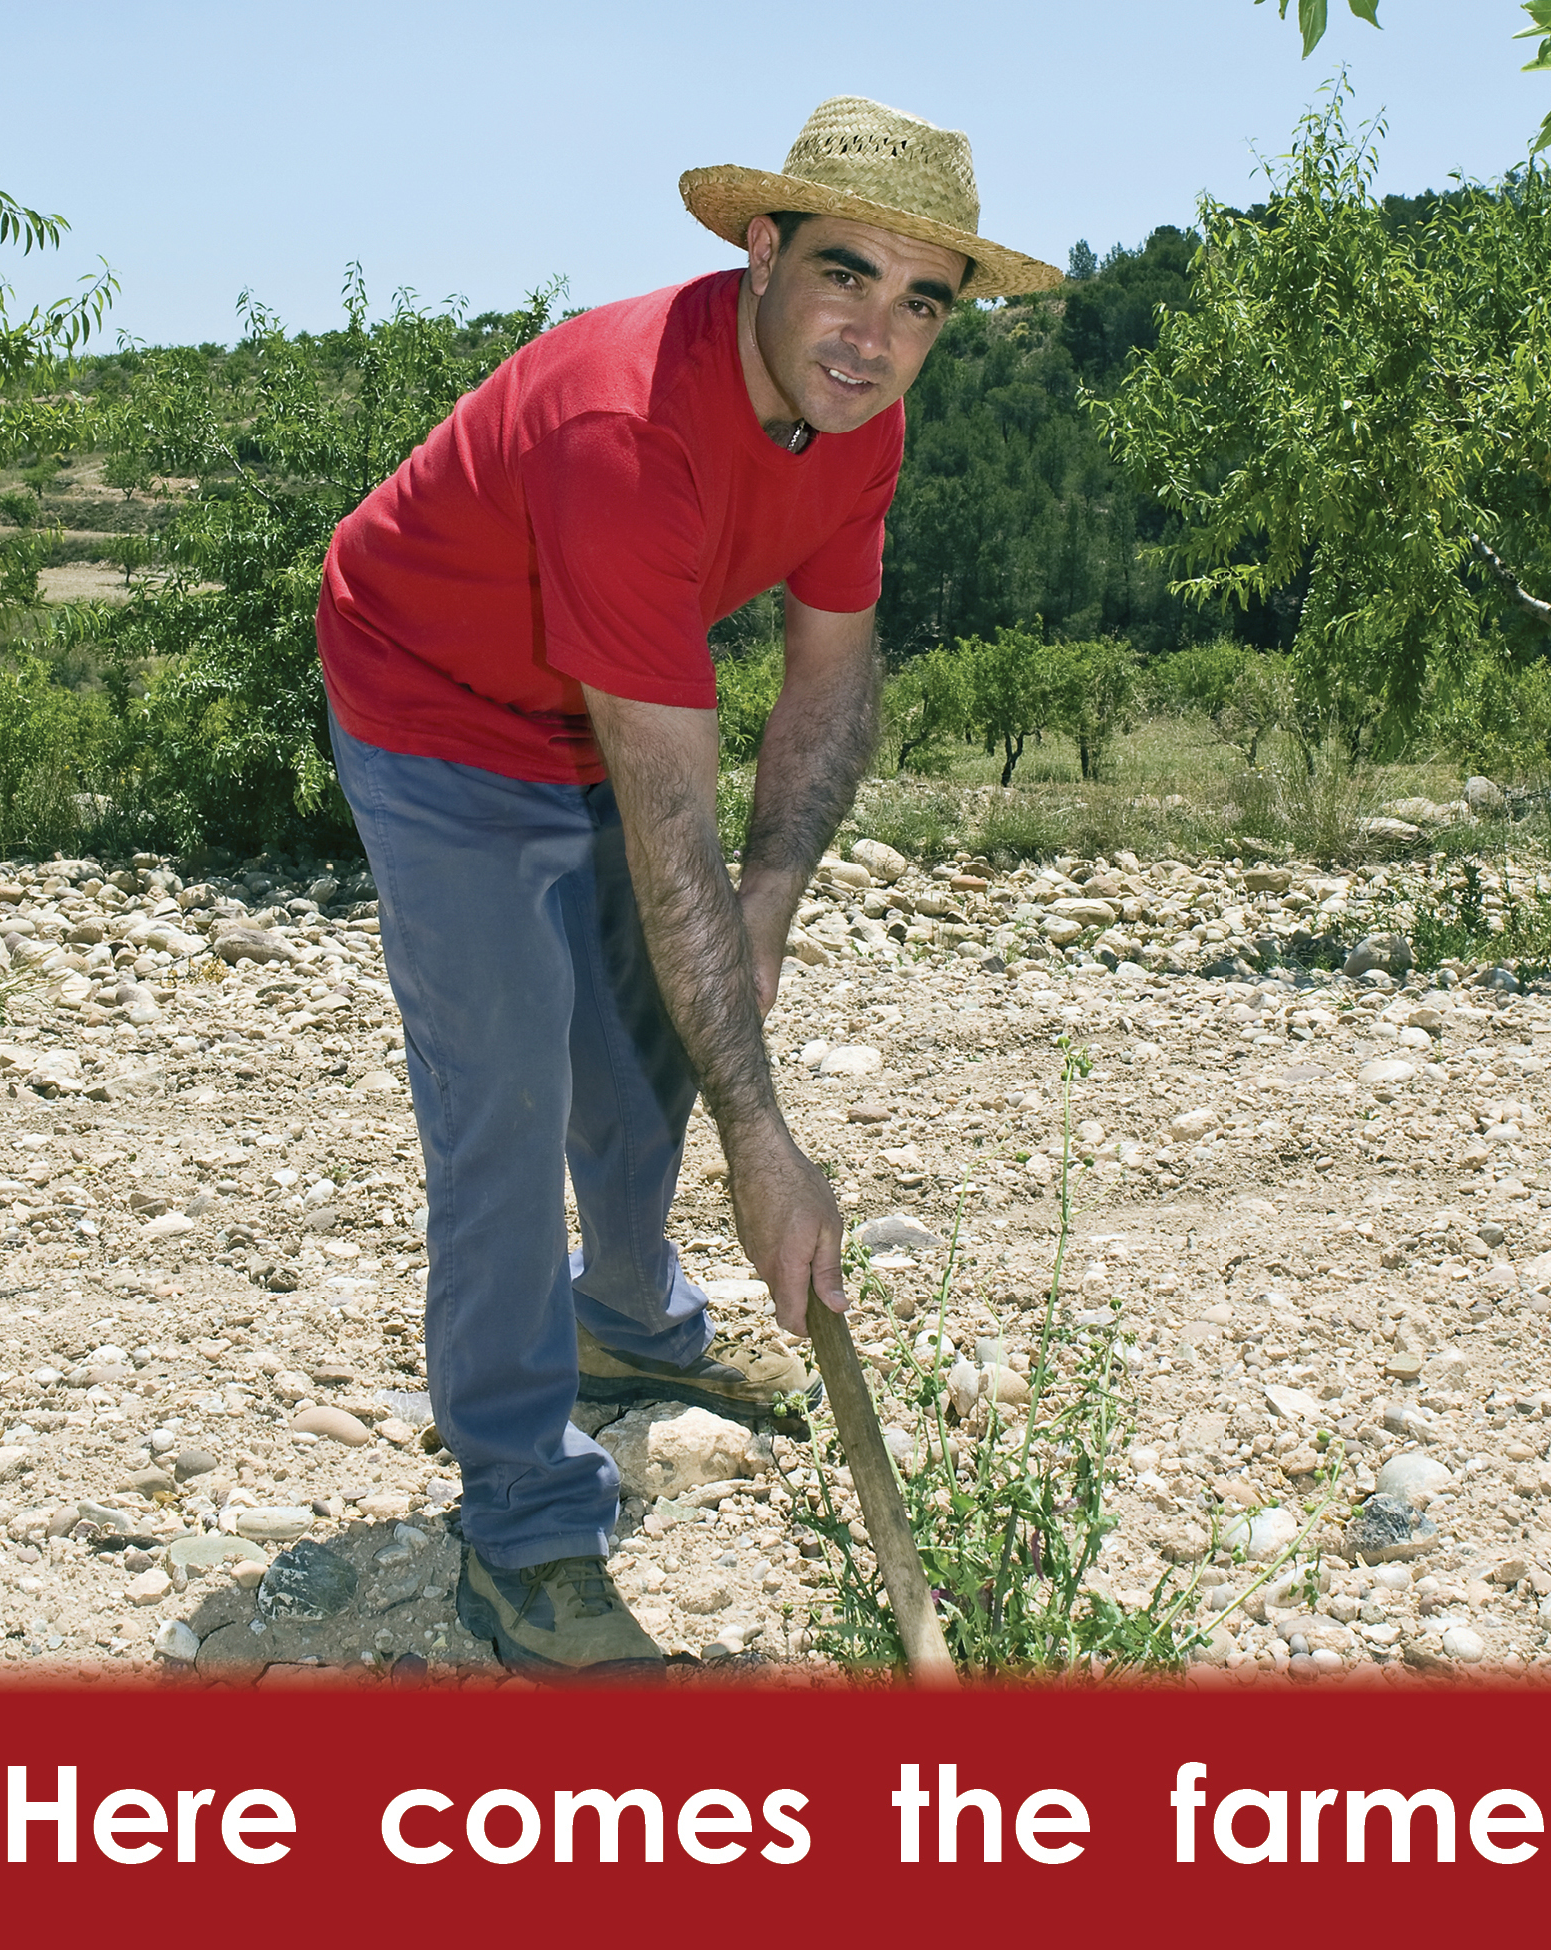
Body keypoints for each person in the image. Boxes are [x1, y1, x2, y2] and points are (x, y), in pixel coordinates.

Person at [317, 96, 1060, 1678]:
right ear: (761, 249)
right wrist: (767, 1135)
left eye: (920, 302)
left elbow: (831, 676)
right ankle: (521, 1527)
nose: (873, 335)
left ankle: (632, 1324)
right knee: (506, 1086)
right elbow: (669, 818)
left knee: (658, 1021)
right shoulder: (623, 431)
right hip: (432, 697)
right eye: (845, 276)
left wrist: (773, 893)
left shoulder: (860, 421)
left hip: (591, 699)